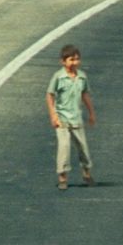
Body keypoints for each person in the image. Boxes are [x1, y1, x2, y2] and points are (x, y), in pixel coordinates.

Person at [46, 44, 96, 190]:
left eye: (77, 59)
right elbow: (50, 96)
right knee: (64, 147)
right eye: (71, 60)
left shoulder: (82, 77)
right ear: (63, 61)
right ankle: (63, 177)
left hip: (76, 118)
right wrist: (53, 115)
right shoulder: (58, 77)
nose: (75, 63)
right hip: (62, 118)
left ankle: (86, 173)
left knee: (83, 147)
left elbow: (85, 94)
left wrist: (91, 113)